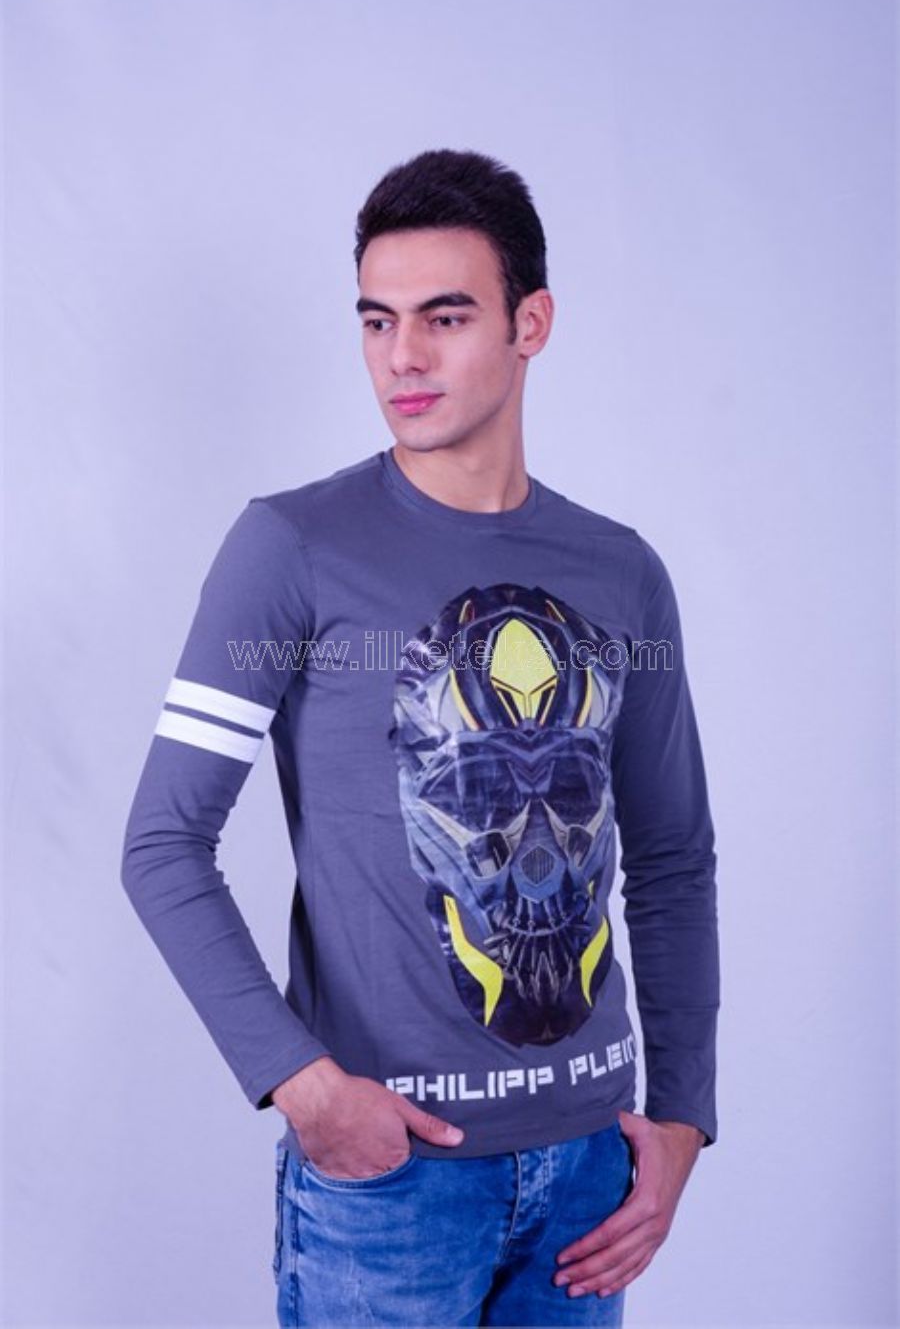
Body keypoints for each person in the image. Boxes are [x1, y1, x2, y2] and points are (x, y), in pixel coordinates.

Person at [121, 147, 720, 1328]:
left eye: (444, 317)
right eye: (377, 320)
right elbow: (162, 843)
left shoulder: (621, 572)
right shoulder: (292, 548)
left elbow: (671, 858)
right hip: (390, 1181)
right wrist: (302, 1084)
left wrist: (685, 1114)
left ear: (529, 323)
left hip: (590, 1174)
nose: (402, 356)